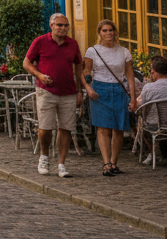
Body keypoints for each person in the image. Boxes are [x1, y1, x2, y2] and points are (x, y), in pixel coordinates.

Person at [23, 13, 83, 178]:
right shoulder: (40, 41)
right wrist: (40, 75)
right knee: (45, 128)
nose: (63, 28)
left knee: (66, 128)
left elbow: (79, 67)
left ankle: (61, 164)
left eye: (65, 25)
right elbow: (26, 63)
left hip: (68, 91)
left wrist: (80, 90)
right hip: (46, 90)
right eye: (59, 25)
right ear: (51, 26)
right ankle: (44, 156)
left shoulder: (73, 44)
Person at [82, 19, 135, 177]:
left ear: (115, 32)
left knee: (119, 128)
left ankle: (114, 162)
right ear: (99, 33)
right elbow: (87, 72)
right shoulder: (92, 51)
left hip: (119, 90)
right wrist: (88, 89)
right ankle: (106, 163)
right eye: (104, 31)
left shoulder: (124, 51)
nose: (108, 33)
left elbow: (129, 75)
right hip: (100, 90)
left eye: (110, 30)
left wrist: (133, 97)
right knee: (103, 128)